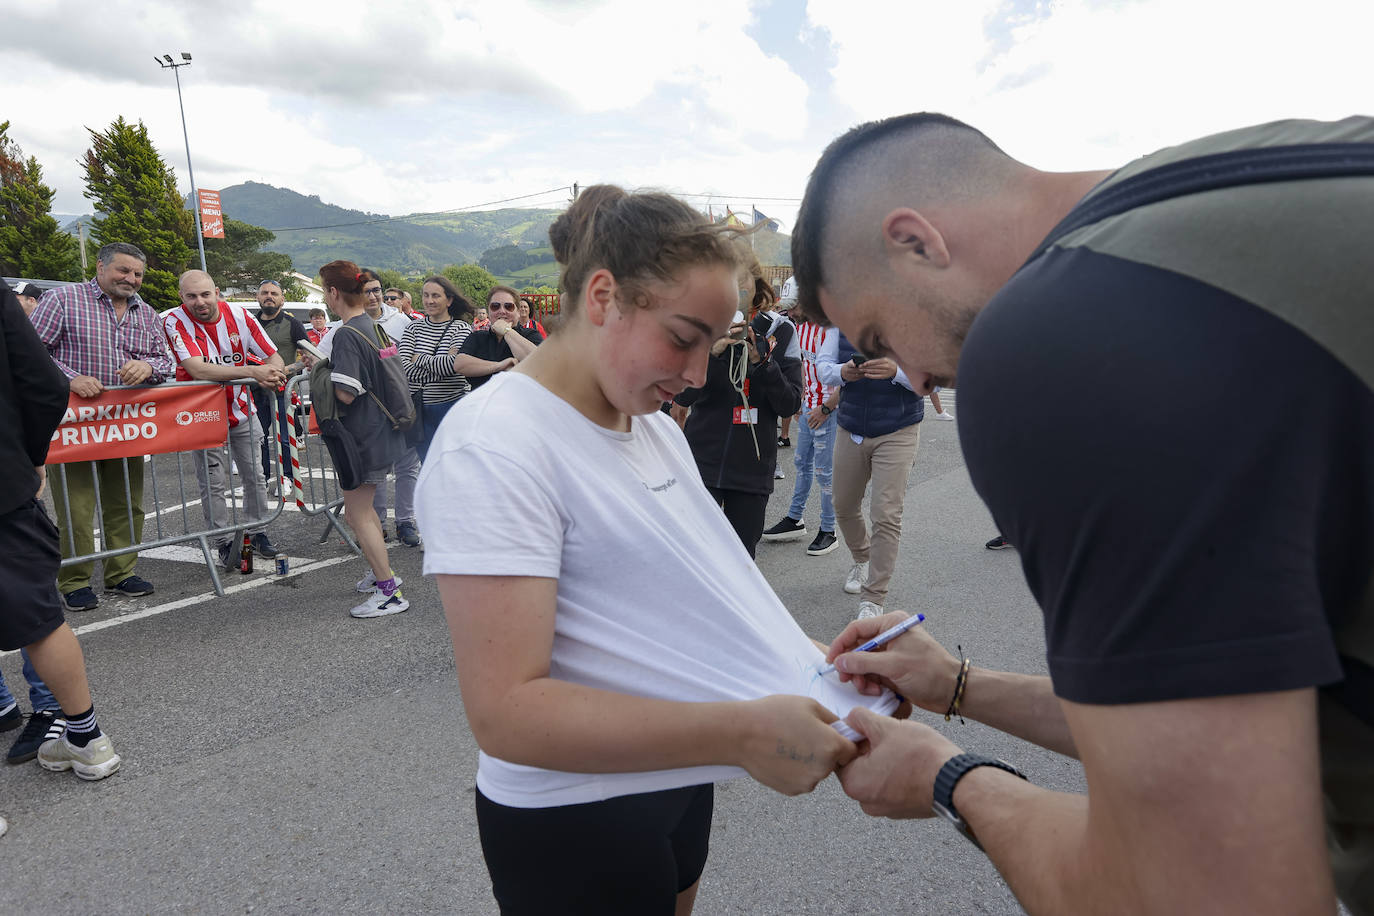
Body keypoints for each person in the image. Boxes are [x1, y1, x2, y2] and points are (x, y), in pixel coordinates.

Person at [795, 112, 1374, 914]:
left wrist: (948, 779)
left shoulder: (1060, 340)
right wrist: (958, 685)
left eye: (878, 331)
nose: (918, 380)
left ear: (917, 243)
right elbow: (1224, 726)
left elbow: (1196, 893)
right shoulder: (1257, 176)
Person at [415, 186, 904, 915]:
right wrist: (739, 732)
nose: (700, 373)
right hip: (573, 812)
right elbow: (508, 714)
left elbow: (693, 594)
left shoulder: (652, 427)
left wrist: (821, 666)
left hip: (676, 773)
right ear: (605, 295)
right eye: (683, 337)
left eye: (716, 342)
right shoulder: (497, 447)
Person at [1, 284, 120, 787]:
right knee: (42, 619)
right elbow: (46, 384)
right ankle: (86, 736)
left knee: (43, 620)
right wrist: (27, 456)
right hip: (5, 483)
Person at [29, 242, 174, 610]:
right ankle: (74, 579)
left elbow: (165, 359)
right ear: (100, 267)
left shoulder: (148, 314)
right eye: (123, 271)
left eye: (138, 274)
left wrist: (148, 368)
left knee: (127, 502)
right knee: (76, 508)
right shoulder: (63, 300)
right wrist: (70, 379)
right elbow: (31, 350)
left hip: (125, 426)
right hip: (74, 426)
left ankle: (122, 573)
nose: (131, 279)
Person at [674, 261, 802, 557]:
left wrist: (763, 362)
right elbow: (681, 397)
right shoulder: (701, 328)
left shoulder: (780, 330)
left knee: (740, 558)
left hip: (752, 467)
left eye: (742, 282)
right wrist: (709, 353)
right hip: (703, 460)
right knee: (695, 555)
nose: (736, 290)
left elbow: (790, 403)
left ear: (757, 286)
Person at [163, 270, 285, 567]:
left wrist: (274, 372)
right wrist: (253, 372)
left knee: (255, 476)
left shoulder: (241, 316)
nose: (200, 302)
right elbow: (198, 369)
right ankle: (222, 540)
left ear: (217, 292)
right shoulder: (173, 321)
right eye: (191, 296)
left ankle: (258, 531)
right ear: (181, 297)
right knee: (213, 482)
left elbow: (273, 355)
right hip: (202, 415)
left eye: (205, 294)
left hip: (243, 411)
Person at [317, 260, 409, 618]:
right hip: (383, 431)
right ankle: (379, 574)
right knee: (365, 510)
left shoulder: (346, 333)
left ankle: (389, 591)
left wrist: (320, 370)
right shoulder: (374, 325)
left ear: (334, 293)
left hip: (363, 434)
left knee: (358, 514)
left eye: (325, 290)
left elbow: (346, 393)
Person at [823, 330, 923, 619]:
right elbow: (821, 367)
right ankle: (861, 556)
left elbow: (934, 381)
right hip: (851, 427)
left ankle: (874, 598)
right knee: (842, 505)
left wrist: (896, 372)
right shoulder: (838, 321)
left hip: (898, 429)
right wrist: (842, 372)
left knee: (886, 514)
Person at [762, 313, 841, 556]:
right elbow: (803, 366)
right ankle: (795, 518)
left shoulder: (833, 330)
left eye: (796, 305)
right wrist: (801, 400)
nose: (791, 311)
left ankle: (829, 530)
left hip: (828, 409)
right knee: (801, 463)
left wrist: (826, 408)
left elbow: (848, 376)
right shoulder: (801, 327)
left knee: (825, 472)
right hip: (809, 407)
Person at [355, 270, 421, 544]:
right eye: (367, 291)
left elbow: (415, 356)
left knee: (407, 466)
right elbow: (320, 356)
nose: (373, 296)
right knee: (378, 469)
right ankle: (377, 523)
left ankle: (405, 522)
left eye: (377, 290)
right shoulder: (347, 324)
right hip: (370, 410)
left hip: (401, 403)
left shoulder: (402, 322)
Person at [399, 275, 472, 461]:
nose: (429, 301)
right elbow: (403, 367)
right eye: (425, 295)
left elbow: (452, 366)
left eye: (436, 296)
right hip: (419, 410)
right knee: (428, 465)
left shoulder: (461, 328)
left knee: (453, 464)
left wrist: (419, 358)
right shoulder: (413, 328)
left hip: (449, 408)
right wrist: (439, 367)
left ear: (449, 300)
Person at [253, 280, 308, 488]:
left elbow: (308, 357)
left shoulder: (292, 324)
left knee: (286, 439)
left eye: (274, 293)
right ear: (257, 297)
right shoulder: (249, 322)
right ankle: (263, 479)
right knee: (258, 438)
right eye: (265, 292)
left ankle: (288, 478)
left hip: (283, 392)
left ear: (282, 299)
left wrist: (286, 370)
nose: (269, 296)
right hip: (254, 391)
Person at [452, 286, 541, 390]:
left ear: (517, 311)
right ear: (489, 312)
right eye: (495, 306)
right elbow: (460, 365)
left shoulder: (531, 335)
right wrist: (500, 366)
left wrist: (506, 331)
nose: (502, 311)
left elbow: (539, 362)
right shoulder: (477, 336)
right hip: (482, 402)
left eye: (508, 306)